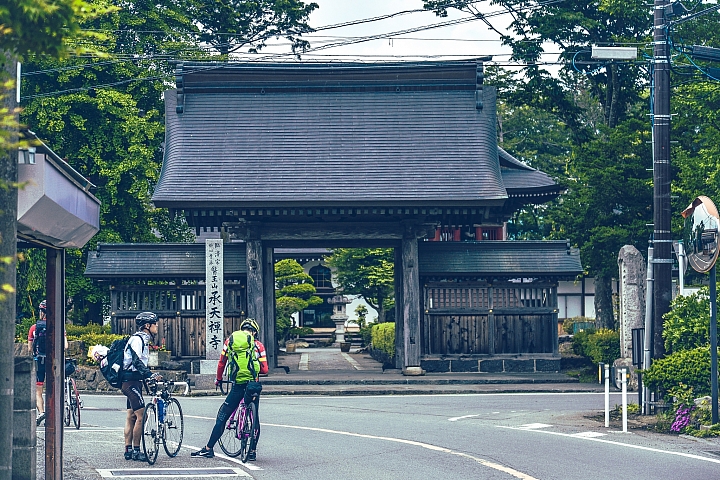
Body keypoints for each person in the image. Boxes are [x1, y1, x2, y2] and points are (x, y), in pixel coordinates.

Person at [192, 318, 268, 460]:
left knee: (223, 415)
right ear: (255, 332)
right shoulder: (258, 346)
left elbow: (222, 363)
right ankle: (252, 452)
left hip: (238, 384)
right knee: (255, 418)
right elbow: (265, 369)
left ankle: (208, 448)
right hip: (253, 385)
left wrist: (219, 379)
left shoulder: (229, 342)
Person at [122, 311, 162, 461]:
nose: (157, 326)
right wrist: (149, 375)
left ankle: (128, 449)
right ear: (147, 326)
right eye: (155, 324)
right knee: (141, 416)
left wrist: (147, 375)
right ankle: (137, 451)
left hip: (133, 381)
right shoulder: (137, 340)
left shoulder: (141, 339)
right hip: (130, 382)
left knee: (131, 416)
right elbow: (137, 362)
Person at [28, 300, 68, 426]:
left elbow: (30, 349)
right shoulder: (59, 326)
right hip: (54, 362)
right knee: (54, 388)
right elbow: (65, 346)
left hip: (39, 361)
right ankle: (54, 414)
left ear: (41, 312)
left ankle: (41, 412)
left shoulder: (34, 328)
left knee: (38, 390)